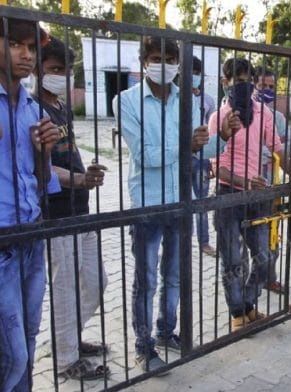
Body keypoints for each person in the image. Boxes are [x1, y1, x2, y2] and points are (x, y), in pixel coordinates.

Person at [114, 36, 215, 373]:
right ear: (144, 61)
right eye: (156, 57)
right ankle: (143, 347)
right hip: (147, 204)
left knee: (173, 275)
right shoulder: (126, 101)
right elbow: (145, 155)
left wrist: (220, 138)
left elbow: (199, 151)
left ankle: (165, 332)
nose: (163, 64)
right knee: (146, 280)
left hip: (180, 202)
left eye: (170, 59)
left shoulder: (185, 101)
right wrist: (187, 144)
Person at [34, 36, 110, 380]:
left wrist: (85, 177)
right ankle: (66, 359)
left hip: (81, 207)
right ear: (37, 70)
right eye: (54, 70)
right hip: (56, 211)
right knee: (65, 288)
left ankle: (66, 339)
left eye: (67, 71)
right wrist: (79, 180)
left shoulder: (60, 107)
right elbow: (40, 168)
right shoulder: (32, 109)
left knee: (96, 282)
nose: (61, 76)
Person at [0, 18, 61, 390]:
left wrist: (45, 153)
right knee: (14, 353)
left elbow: (41, 182)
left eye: (32, 48)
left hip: (31, 238)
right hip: (2, 244)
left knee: (27, 338)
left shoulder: (32, 109)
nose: (26, 55)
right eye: (15, 44)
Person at [208, 58, 286, 331]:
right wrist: (245, 181)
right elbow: (215, 166)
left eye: (246, 80)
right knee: (231, 260)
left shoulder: (263, 113)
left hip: (256, 197)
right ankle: (238, 311)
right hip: (229, 195)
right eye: (236, 80)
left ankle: (250, 303)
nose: (241, 85)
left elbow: (277, 147)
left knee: (266, 255)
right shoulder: (218, 117)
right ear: (225, 83)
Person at [254, 68, 289, 294]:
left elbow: (283, 148)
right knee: (253, 232)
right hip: (248, 180)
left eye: (271, 87)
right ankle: (250, 285)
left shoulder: (278, 117)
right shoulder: (245, 112)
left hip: (273, 178)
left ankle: (269, 277)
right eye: (263, 86)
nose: (267, 90)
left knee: (273, 231)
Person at [191, 55, 217, 257]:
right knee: (179, 201)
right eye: (190, 73)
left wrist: (210, 161)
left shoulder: (208, 101)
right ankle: (181, 241)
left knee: (201, 202)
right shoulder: (176, 97)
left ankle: (204, 241)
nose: (194, 76)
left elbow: (212, 132)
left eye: (197, 73)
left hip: (201, 158)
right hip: (180, 157)